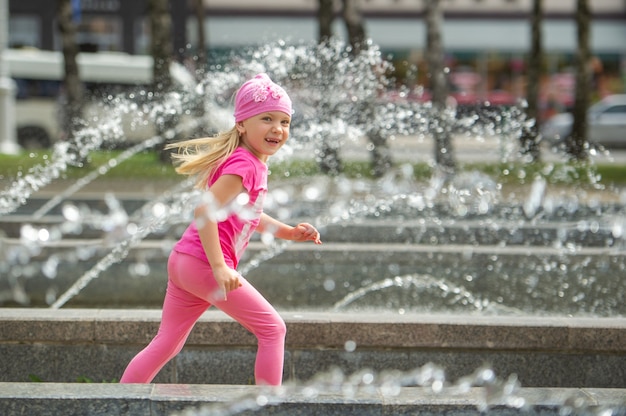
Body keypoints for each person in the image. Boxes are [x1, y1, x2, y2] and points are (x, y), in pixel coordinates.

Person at [120, 73, 322, 386]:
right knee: (273, 329)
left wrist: (290, 233)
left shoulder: (248, 161)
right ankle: (268, 407)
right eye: (267, 119)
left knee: (167, 344)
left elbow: (249, 215)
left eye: (284, 121)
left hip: (186, 261)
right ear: (242, 124)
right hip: (204, 265)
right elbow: (204, 211)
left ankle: (120, 401)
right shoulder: (247, 165)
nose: (277, 129)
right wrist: (219, 267)